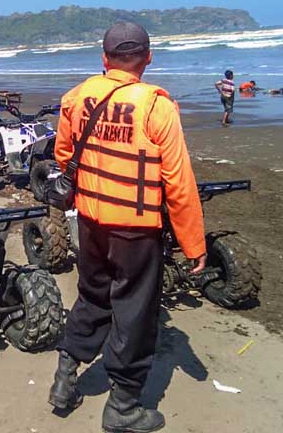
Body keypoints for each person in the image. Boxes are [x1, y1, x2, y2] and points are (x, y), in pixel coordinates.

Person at [48, 22, 205, 433]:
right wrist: (193, 244)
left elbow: (64, 154)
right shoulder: (156, 107)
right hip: (135, 231)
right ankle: (122, 406)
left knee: (92, 295)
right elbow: (179, 182)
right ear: (148, 58)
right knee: (135, 313)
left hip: (90, 221)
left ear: (104, 58)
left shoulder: (77, 97)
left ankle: (64, 380)